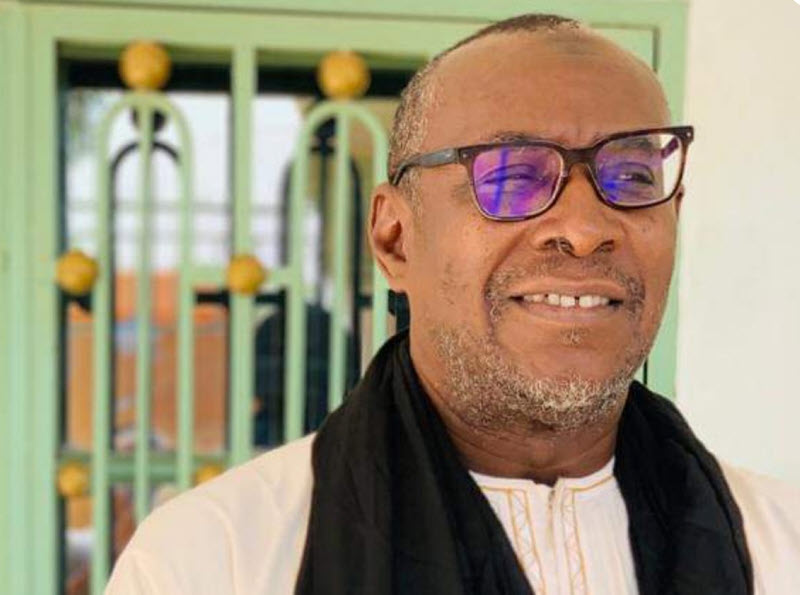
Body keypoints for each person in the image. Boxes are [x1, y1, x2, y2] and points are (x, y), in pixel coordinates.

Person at [106, 13, 800, 594]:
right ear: (395, 238)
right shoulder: (215, 560)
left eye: (634, 175)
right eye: (512, 176)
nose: (587, 228)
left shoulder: (779, 544)